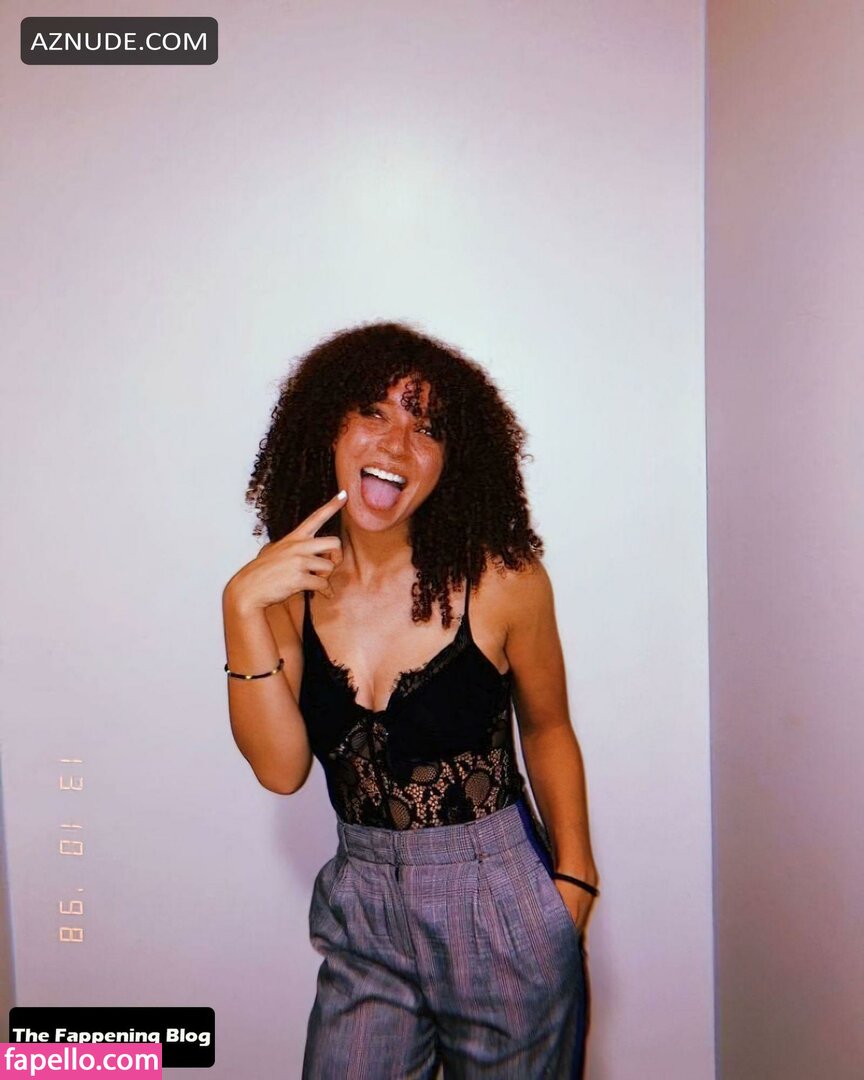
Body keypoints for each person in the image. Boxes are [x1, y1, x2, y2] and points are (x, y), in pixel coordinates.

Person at [221, 321, 599, 1079]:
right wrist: (239, 606)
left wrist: (575, 883)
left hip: (500, 900)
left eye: (427, 428)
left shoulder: (502, 580)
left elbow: (548, 728)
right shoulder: (286, 588)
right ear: (329, 428)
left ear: (452, 459)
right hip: (362, 907)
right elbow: (281, 771)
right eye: (374, 412)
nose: (395, 444)